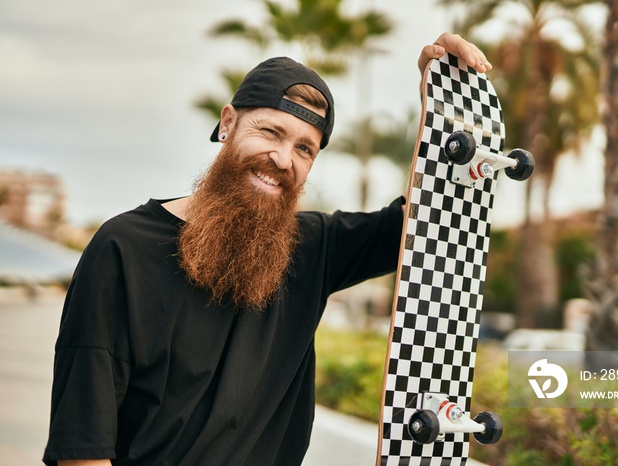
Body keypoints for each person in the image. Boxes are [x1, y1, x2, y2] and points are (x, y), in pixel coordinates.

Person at [43, 33, 491, 466]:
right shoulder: (122, 247)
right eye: (270, 131)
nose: (283, 159)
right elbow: (84, 437)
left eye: (304, 149)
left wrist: (442, 108)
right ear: (228, 122)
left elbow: (428, 224)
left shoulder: (313, 248)